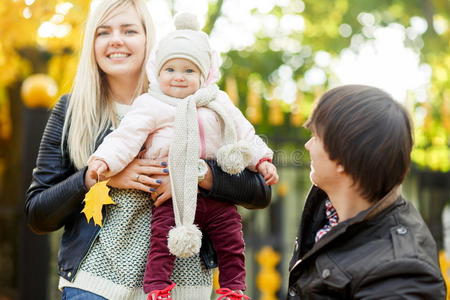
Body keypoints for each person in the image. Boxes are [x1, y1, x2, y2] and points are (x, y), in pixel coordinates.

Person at [24, 1, 272, 300]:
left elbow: (260, 192)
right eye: (104, 32)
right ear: (93, 43)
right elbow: (39, 214)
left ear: (148, 39)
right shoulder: (72, 111)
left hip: (183, 286)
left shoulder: (196, 100)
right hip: (95, 284)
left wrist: (194, 174)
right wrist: (100, 177)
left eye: (128, 30)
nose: (116, 39)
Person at [88, 13, 278, 300]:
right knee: (164, 237)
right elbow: (126, 137)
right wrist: (105, 161)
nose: (179, 76)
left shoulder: (218, 103)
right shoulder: (152, 104)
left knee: (232, 240)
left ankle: (232, 289)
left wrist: (262, 160)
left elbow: (244, 134)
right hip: (172, 194)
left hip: (216, 193)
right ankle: (157, 287)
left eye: (189, 71)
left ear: (205, 76)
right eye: (171, 69)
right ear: (157, 72)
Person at [287, 85, 446, 299]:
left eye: (315, 136)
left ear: (341, 156)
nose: (308, 145)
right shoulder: (327, 216)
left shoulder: (402, 273)